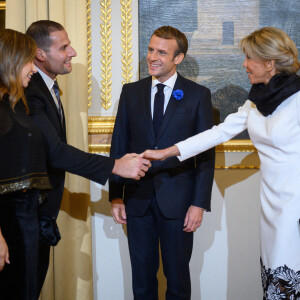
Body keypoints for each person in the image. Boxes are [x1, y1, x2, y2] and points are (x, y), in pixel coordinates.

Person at [143, 27, 300, 299]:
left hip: (296, 203)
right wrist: (168, 151)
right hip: (272, 202)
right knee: (274, 276)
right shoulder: (257, 100)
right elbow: (218, 133)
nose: (244, 64)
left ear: (269, 63)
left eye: (249, 58)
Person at [24, 20, 150, 297]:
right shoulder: (30, 92)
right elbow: (55, 152)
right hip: (26, 215)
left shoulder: (47, 88)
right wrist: (116, 165)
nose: (73, 53)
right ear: (39, 54)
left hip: (40, 213)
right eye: (64, 47)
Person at [109, 26, 215, 300]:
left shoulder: (197, 95)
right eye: (150, 49)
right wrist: (116, 196)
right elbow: (119, 145)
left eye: (161, 52)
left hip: (179, 203)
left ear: (178, 58)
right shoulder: (131, 92)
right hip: (137, 200)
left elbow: (205, 154)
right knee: (142, 280)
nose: (152, 57)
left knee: (178, 280)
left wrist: (199, 203)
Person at [0, 29, 52, 300]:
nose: (34, 68)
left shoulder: (14, 105)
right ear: (10, 60)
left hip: (24, 218)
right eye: (29, 60)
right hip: (7, 221)